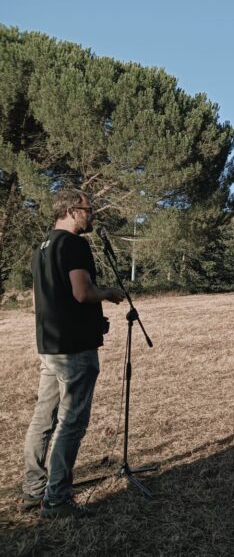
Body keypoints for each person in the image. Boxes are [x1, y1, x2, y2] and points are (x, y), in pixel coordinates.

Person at [22, 188, 126, 518]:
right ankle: (57, 500)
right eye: (87, 208)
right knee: (71, 422)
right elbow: (82, 292)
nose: (91, 213)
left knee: (44, 418)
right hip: (75, 348)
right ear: (71, 210)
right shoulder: (75, 244)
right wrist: (109, 293)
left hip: (50, 345)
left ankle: (33, 490)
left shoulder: (42, 248)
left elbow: (38, 301)